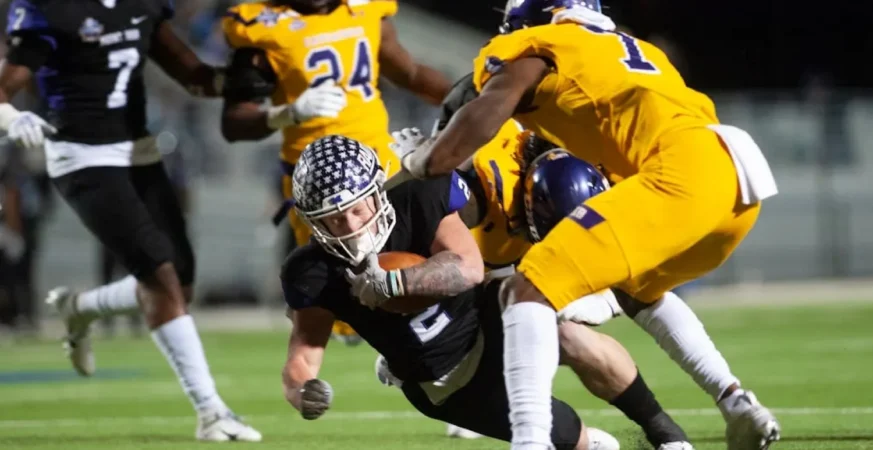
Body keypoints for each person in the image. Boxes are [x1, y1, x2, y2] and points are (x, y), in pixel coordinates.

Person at [385, 1, 781, 449]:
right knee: (639, 290)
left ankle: (530, 442)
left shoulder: (538, 45)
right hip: (736, 176)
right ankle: (736, 402)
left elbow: (489, 105)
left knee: (528, 291)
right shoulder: (632, 50)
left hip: (679, 170)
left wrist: (425, 160)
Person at [0, 0, 260, 441]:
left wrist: (243, 79)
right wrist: (11, 116)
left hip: (139, 153)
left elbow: (194, 76)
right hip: (82, 154)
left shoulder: (140, 4)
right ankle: (211, 411)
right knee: (160, 276)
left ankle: (81, 308)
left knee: (180, 283)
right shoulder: (52, 9)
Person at [281, 134, 619, 450]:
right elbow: (303, 356)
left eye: (358, 209)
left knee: (569, 333)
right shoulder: (312, 273)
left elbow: (469, 268)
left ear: (377, 192)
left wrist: (394, 283)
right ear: (314, 223)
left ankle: (648, 417)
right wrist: (303, 390)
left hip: (480, 316)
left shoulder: (415, 199)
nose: (353, 227)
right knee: (569, 434)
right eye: (335, 220)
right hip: (442, 380)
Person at [220, 0, 452, 344]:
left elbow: (412, 74)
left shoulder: (363, 10)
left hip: (379, 166)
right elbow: (234, 121)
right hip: (318, 183)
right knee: (340, 303)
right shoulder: (265, 26)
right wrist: (287, 113)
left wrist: (466, 103)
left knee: (427, 260)